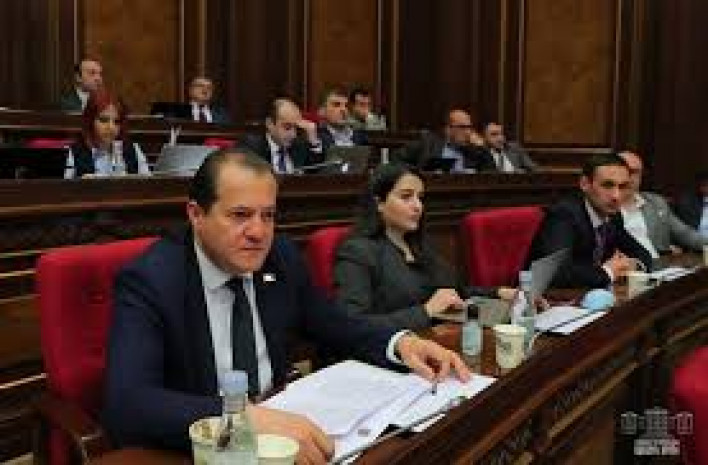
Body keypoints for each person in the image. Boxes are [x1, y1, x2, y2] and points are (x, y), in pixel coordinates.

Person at [102, 148, 469, 464]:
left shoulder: (279, 257)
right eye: (240, 215)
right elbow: (128, 404)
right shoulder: (153, 280)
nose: (258, 232)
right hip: (205, 451)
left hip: (284, 436)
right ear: (196, 215)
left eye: (268, 215)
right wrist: (244, 421)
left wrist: (400, 343)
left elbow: (333, 322)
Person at [334, 162, 517, 330]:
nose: (418, 206)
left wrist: (499, 293)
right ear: (379, 203)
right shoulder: (357, 251)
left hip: (437, 338)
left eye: (420, 197)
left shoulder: (418, 244)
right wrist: (426, 311)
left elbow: (454, 291)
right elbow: (351, 325)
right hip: (393, 349)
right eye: (406, 197)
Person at [525, 153, 652, 288]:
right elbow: (556, 273)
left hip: (590, 292)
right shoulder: (563, 216)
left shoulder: (613, 215)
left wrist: (633, 265)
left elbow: (642, 253)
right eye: (607, 185)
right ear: (585, 184)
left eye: (622, 186)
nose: (616, 196)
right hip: (545, 295)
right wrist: (608, 271)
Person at [618, 151, 707, 255]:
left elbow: (685, 233)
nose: (629, 176)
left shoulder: (656, 203)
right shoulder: (605, 207)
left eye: (635, 172)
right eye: (624, 170)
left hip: (658, 263)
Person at [64, 89, 151, 178]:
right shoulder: (75, 152)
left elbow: (148, 182)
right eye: (103, 120)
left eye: (116, 122)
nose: (111, 127)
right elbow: (65, 185)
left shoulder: (133, 149)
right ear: (90, 121)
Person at [394, 109, 495, 173]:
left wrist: (482, 148)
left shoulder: (475, 151)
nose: (468, 132)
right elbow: (397, 159)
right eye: (462, 127)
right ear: (448, 129)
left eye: (469, 127)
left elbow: (492, 174)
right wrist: (420, 173)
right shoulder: (428, 143)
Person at [239, 98, 323, 174]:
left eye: (296, 128)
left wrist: (313, 139)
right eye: (287, 127)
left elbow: (315, 172)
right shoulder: (252, 147)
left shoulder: (299, 145)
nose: (293, 134)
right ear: (269, 124)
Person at [673, 170, 708, 239]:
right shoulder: (687, 202)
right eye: (704, 185)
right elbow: (692, 228)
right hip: (698, 240)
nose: (704, 188)